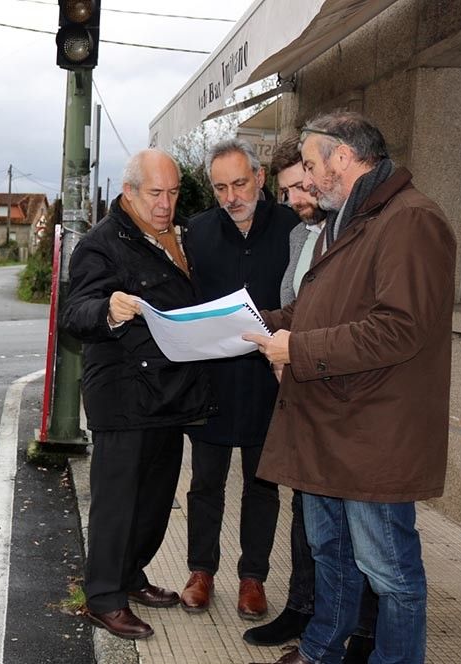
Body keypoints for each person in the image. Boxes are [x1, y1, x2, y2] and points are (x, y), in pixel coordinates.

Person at [245, 111, 456, 664]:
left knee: (389, 572)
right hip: (329, 425)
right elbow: (315, 312)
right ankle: (321, 651)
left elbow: (399, 328)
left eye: (311, 166)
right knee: (331, 553)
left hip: (372, 435)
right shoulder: (351, 219)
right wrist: (251, 323)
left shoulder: (410, 220)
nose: (308, 181)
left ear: (343, 156)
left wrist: (299, 350)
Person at [59, 148, 216, 640]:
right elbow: (74, 312)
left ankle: (131, 575)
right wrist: (108, 306)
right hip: (124, 395)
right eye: (155, 194)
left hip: (172, 393)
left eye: (172, 193)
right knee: (116, 503)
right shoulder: (102, 245)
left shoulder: (180, 237)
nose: (166, 204)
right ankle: (103, 597)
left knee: (153, 501)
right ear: (129, 192)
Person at [243, 138, 378, 663]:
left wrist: (294, 347)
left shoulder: (360, 233)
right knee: (314, 525)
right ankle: (308, 613)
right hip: (304, 399)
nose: (299, 196)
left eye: (304, 184)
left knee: (368, 541)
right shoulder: (304, 235)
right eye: (288, 191)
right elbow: (293, 306)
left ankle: (363, 634)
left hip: (347, 405)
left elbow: (374, 327)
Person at [179, 139, 297, 621]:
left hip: (269, 381)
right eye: (221, 187)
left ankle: (254, 578)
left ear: (261, 178)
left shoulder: (292, 229)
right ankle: (201, 572)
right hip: (211, 380)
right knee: (205, 481)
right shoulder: (198, 233)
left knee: (261, 485)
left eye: (240, 184)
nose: (231, 197)